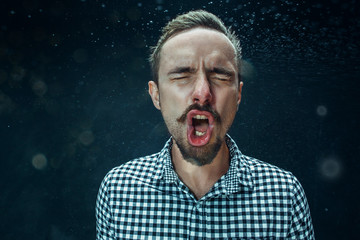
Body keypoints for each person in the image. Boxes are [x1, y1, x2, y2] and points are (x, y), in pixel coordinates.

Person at [96, 10, 315, 239]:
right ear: (156, 94)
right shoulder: (118, 190)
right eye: (182, 75)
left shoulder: (284, 195)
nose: (203, 93)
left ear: (238, 95)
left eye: (220, 76)